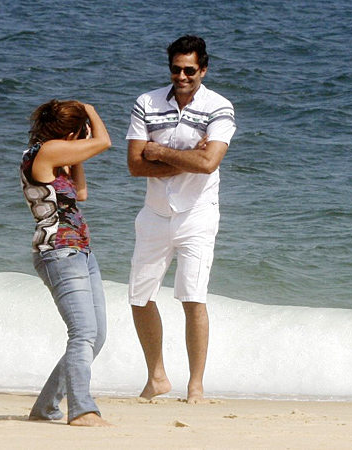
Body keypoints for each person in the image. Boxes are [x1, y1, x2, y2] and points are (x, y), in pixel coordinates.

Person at [126, 35, 236, 403]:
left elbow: (208, 164)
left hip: (198, 214)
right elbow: (134, 165)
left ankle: (196, 387)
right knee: (139, 297)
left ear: (203, 69)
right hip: (155, 214)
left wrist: (158, 152)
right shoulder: (147, 103)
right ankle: (157, 377)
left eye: (190, 70)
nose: (182, 76)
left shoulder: (220, 107)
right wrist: (182, 154)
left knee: (193, 298)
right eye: (176, 69)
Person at [20, 100, 112, 427]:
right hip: (59, 250)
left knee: (96, 335)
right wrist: (90, 108)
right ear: (71, 132)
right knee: (83, 332)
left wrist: (77, 153)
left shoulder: (58, 155)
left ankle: (45, 406)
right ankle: (82, 409)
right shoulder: (45, 153)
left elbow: (81, 193)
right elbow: (104, 142)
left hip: (81, 250)